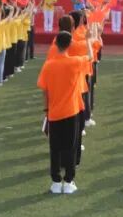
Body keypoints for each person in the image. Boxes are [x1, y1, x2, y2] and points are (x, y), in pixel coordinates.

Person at [38, 30, 92, 194]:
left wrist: (46, 109)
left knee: (55, 148)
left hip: (54, 112)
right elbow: (90, 56)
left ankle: (55, 181)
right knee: (70, 147)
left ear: (56, 44)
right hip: (71, 111)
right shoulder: (74, 62)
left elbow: (44, 90)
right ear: (69, 45)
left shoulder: (48, 65)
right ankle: (68, 181)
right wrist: (88, 40)